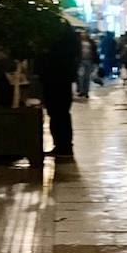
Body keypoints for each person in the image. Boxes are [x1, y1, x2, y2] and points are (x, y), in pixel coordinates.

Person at [35, 22, 81, 159]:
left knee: (56, 113)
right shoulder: (70, 42)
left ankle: (62, 146)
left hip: (53, 79)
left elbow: (46, 60)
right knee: (62, 113)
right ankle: (64, 146)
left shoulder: (55, 47)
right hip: (63, 80)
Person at [76, 32, 97, 99]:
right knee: (81, 77)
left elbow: (94, 51)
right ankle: (82, 91)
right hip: (81, 61)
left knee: (87, 77)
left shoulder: (91, 42)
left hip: (89, 61)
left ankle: (86, 92)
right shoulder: (78, 42)